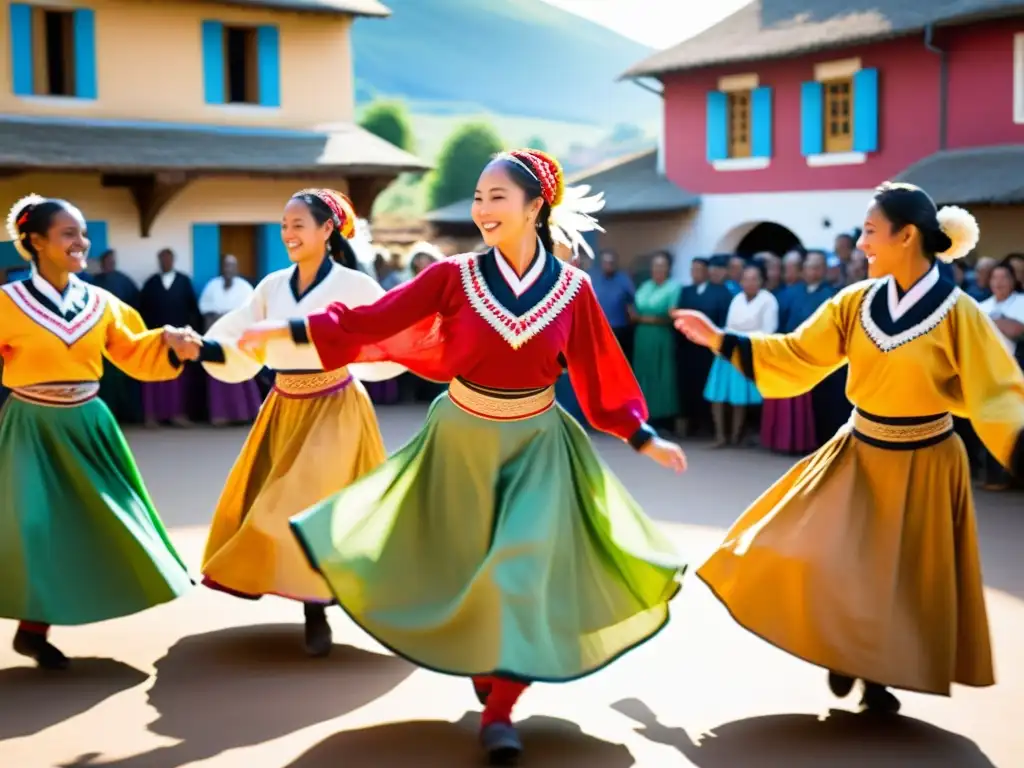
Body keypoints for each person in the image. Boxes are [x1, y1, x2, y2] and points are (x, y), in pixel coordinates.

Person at [237, 148, 687, 764]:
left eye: (496, 197)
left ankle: (500, 711)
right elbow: (374, 320)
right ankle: (490, 664)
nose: (481, 209)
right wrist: (292, 332)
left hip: (538, 444)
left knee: (521, 569)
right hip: (460, 439)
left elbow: (599, 372)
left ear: (536, 207)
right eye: (477, 198)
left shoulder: (574, 291)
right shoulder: (453, 277)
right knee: (463, 565)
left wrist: (641, 434)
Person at [674, 181, 1024, 713]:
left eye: (869, 232)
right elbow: (796, 355)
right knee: (816, 551)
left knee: (900, 578)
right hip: (859, 450)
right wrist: (722, 339)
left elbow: (997, 393)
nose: (860, 244)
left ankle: (873, 676)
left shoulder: (960, 314)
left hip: (927, 459)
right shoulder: (854, 302)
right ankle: (844, 649)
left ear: (906, 237)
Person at [198, 190, 404, 655]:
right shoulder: (272, 286)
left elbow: (384, 336)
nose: (288, 234)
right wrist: (203, 348)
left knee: (299, 509)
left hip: (335, 406)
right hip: (284, 404)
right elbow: (238, 336)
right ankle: (312, 601)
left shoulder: (356, 286)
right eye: (284, 225)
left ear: (328, 229)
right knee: (274, 505)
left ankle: (317, 609)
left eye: (298, 225)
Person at [0, 195, 201, 669]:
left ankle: (34, 631)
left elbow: (134, 351)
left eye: (83, 233)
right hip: (31, 423)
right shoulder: (7, 303)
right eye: (69, 233)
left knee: (103, 518)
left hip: (89, 423)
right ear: (35, 242)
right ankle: (34, 625)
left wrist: (168, 341)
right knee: (32, 524)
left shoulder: (100, 302)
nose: (81, 242)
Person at [760, 251, 833, 455]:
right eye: (809, 267)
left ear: (824, 270)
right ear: (803, 270)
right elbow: (781, 322)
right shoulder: (790, 293)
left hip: (820, 357)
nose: (813, 271)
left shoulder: (832, 294)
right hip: (792, 353)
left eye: (817, 267)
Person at [703, 263, 778, 447]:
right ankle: (720, 435)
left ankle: (736, 436)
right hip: (729, 349)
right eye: (746, 279)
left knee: (739, 397)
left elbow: (768, 331)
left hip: (750, 351)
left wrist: (743, 339)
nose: (749, 283)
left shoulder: (768, 300)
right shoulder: (736, 299)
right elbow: (729, 325)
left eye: (754, 279)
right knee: (717, 394)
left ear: (761, 281)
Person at [140, 248, 202, 427]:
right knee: (155, 376)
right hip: (157, 337)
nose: (165, 262)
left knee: (178, 379)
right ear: (159, 261)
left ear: (173, 260)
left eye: (168, 259)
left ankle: (177, 414)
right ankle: (152, 416)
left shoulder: (183, 281)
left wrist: (191, 334)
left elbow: (193, 310)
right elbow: (142, 310)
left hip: (180, 339)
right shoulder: (151, 283)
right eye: (162, 259)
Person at [199, 255, 263, 426]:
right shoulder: (212, 286)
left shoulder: (244, 287)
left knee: (241, 373)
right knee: (218, 375)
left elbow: (251, 312)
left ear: (237, 269)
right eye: (226, 266)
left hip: (237, 338)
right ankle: (220, 416)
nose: (228, 269)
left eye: (232, 266)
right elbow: (205, 309)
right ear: (222, 268)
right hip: (217, 336)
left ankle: (244, 414)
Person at [976, 262, 1024, 490]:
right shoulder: (980, 306)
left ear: (1013, 280)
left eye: (1004, 277)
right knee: (992, 421)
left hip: (1016, 370)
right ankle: (996, 476)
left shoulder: (1021, 303)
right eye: (994, 278)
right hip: (987, 371)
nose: (999, 282)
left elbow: (1017, 330)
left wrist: (989, 322)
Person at [630, 252, 682, 432]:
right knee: (644, 374)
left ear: (668, 269)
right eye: (655, 266)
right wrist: (646, 318)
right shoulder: (645, 286)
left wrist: (643, 318)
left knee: (662, 375)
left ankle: (664, 419)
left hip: (661, 337)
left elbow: (670, 316)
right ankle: (645, 416)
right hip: (642, 338)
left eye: (662, 266)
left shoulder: (673, 288)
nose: (658, 269)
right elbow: (633, 312)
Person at [91, 249, 143, 423]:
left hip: (121, 338)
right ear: (102, 263)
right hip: (99, 340)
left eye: (113, 261)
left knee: (123, 380)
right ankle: (105, 416)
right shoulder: (94, 283)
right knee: (104, 381)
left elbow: (135, 307)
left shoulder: (124, 281)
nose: (110, 264)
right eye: (107, 261)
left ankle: (127, 416)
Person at [592, 248, 636, 362]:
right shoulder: (595, 280)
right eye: (605, 262)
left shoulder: (624, 281)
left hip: (619, 331)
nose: (608, 265)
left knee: (619, 363)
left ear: (616, 264)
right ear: (601, 264)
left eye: (611, 263)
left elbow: (632, 306)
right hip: (599, 331)